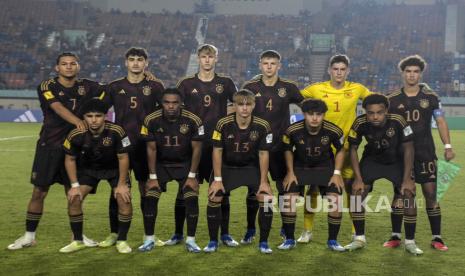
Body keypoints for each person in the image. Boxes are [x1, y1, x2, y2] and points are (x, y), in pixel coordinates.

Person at [8, 52, 103, 250]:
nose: (69, 67)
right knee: (39, 192)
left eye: (72, 63)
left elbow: (112, 90)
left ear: (78, 66)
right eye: (64, 64)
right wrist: (79, 121)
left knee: (74, 194)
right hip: (50, 147)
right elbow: (57, 108)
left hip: (76, 150)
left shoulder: (88, 86)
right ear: (57, 68)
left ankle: (77, 237)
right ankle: (29, 237)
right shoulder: (47, 86)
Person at [299, 54, 371, 243]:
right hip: (319, 149)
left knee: (350, 190)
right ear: (329, 70)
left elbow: (377, 101)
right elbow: (293, 96)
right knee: (313, 189)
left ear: (348, 71)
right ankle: (307, 230)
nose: (339, 72)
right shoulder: (316, 89)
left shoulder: (357, 89)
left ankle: (356, 231)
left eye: (342, 69)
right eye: (335, 69)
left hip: (346, 149)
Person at [387, 55, 455, 251]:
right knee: (400, 194)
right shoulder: (391, 99)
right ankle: (396, 235)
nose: (412, 75)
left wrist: (448, 146)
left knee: (431, 194)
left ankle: (437, 238)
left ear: (420, 74)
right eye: (408, 71)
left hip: (426, 153)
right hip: (401, 155)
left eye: (415, 72)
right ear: (403, 74)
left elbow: (440, 121)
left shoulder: (431, 97)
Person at [174, 44, 238, 247]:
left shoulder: (226, 83)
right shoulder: (185, 84)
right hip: (191, 145)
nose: (207, 60)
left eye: (211, 56)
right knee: (184, 189)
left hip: (218, 145)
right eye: (203, 56)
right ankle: (178, 233)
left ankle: (225, 234)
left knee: (221, 190)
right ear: (198, 58)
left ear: (216, 58)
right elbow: (175, 108)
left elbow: (238, 104)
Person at [102, 47, 165, 248]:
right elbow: (97, 111)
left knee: (146, 189)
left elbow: (165, 111)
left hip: (145, 145)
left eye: (140, 59)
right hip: (119, 146)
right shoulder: (114, 86)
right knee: (117, 189)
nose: (136, 63)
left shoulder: (155, 86)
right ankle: (114, 233)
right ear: (126, 62)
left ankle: (150, 235)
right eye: (132, 59)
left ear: (146, 63)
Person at [344, 94, 421, 255]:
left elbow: (409, 148)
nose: (375, 116)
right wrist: (358, 179)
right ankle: (359, 239)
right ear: (365, 112)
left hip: (397, 160)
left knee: (407, 194)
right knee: (356, 193)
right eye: (371, 113)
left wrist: (407, 179)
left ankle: (410, 242)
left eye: (379, 112)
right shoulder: (360, 123)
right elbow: (352, 149)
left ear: (386, 110)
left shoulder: (398, 121)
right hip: (373, 160)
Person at [241, 50, 304, 243]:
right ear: (260, 65)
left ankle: (286, 228)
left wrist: (296, 131)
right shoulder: (250, 86)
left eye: (273, 63)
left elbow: (307, 108)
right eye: (266, 63)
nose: (269, 67)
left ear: (279, 66)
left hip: (279, 147)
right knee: (254, 190)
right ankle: (251, 229)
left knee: (283, 188)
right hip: (254, 146)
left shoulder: (289, 87)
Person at [204, 89, 274, 254]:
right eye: (240, 104)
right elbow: (217, 151)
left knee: (266, 198)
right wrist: (218, 179)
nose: (244, 108)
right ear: (234, 106)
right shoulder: (223, 124)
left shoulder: (263, 126)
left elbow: (264, 153)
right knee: (215, 196)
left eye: (248, 104)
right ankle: (214, 240)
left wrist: (264, 181)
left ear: (254, 105)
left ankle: (263, 242)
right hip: (228, 167)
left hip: (251, 168)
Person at [60, 99, 133, 253]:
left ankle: (122, 241)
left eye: (98, 116)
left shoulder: (117, 131)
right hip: (89, 170)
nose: (94, 120)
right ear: (84, 117)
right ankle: (78, 241)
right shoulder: (76, 134)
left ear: (105, 116)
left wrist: (121, 184)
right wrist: (74, 186)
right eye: (89, 116)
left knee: (124, 199)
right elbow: (70, 159)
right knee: (74, 199)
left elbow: (123, 158)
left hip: (114, 169)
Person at [138, 88, 204, 253]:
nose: (171, 106)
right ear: (162, 103)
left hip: (185, 164)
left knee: (191, 197)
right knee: (150, 197)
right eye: (167, 102)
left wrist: (192, 176)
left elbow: (197, 149)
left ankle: (190, 240)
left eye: (175, 103)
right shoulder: (151, 120)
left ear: (181, 103)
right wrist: (152, 177)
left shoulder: (193, 120)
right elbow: (151, 149)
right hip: (161, 165)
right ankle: (149, 239)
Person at [281, 99, 346, 251]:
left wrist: (337, 173)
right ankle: (289, 239)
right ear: (304, 114)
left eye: (319, 114)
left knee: (335, 199)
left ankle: (332, 241)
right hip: (300, 167)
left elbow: (341, 150)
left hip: (324, 167)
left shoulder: (334, 130)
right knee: (289, 198)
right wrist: (290, 172)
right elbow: (288, 150)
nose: (315, 118)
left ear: (324, 115)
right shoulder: (292, 130)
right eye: (311, 114)